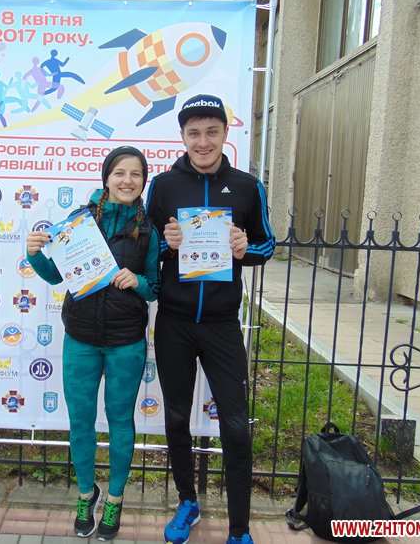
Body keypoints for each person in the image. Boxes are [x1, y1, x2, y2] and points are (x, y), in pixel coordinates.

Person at [145, 95, 276, 544]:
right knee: (176, 417)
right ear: (183, 137)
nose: (203, 142)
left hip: (222, 324)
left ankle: (239, 528)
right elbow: (147, 249)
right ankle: (188, 502)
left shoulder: (247, 186)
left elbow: (267, 245)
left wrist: (243, 248)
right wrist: (167, 245)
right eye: (194, 133)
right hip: (174, 323)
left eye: (212, 132)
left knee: (236, 426)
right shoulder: (163, 186)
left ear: (225, 133)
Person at [26, 146, 161, 541]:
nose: (127, 181)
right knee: (81, 421)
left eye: (135, 174)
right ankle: (86, 495)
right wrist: (34, 255)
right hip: (81, 338)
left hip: (126, 341)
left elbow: (155, 287)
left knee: (120, 421)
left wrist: (137, 281)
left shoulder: (147, 230)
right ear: (106, 178)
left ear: (143, 181)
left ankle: (115, 500)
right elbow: (55, 275)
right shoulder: (80, 221)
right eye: (120, 172)